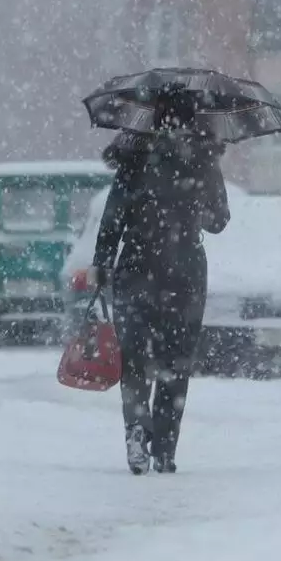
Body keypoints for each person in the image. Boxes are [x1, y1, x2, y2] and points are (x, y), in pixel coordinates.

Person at [92, 86, 230, 475]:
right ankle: (165, 450)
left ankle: (137, 430)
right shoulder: (204, 159)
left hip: (136, 268)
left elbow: (112, 220)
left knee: (134, 360)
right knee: (175, 362)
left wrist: (101, 266)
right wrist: (192, 212)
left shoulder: (133, 158)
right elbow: (220, 220)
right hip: (184, 270)